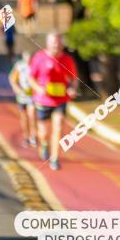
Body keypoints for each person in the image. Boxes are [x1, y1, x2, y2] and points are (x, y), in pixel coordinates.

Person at [28, 32, 78, 170]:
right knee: (43, 133)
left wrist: (72, 89)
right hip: (43, 100)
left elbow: (74, 79)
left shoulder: (67, 60)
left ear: (62, 44)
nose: (55, 45)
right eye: (53, 43)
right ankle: (44, 144)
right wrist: (38, 88)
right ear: (48, 43)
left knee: (59, 127)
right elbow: (30, 78)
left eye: (58, 43)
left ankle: (54, 158)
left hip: (60, 100)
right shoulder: (39, 58)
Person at [8, 51, 36, 148]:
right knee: (24, 117)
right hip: (22, 96)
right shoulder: (19, 66)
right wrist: (17, 89)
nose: (28, 58)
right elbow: (12, 79)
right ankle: (26, 137)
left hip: (32, 96)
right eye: (26, 55)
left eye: (30, 56)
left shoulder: (35, 65)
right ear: (23, 56)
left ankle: (33, 137)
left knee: (31, 115)